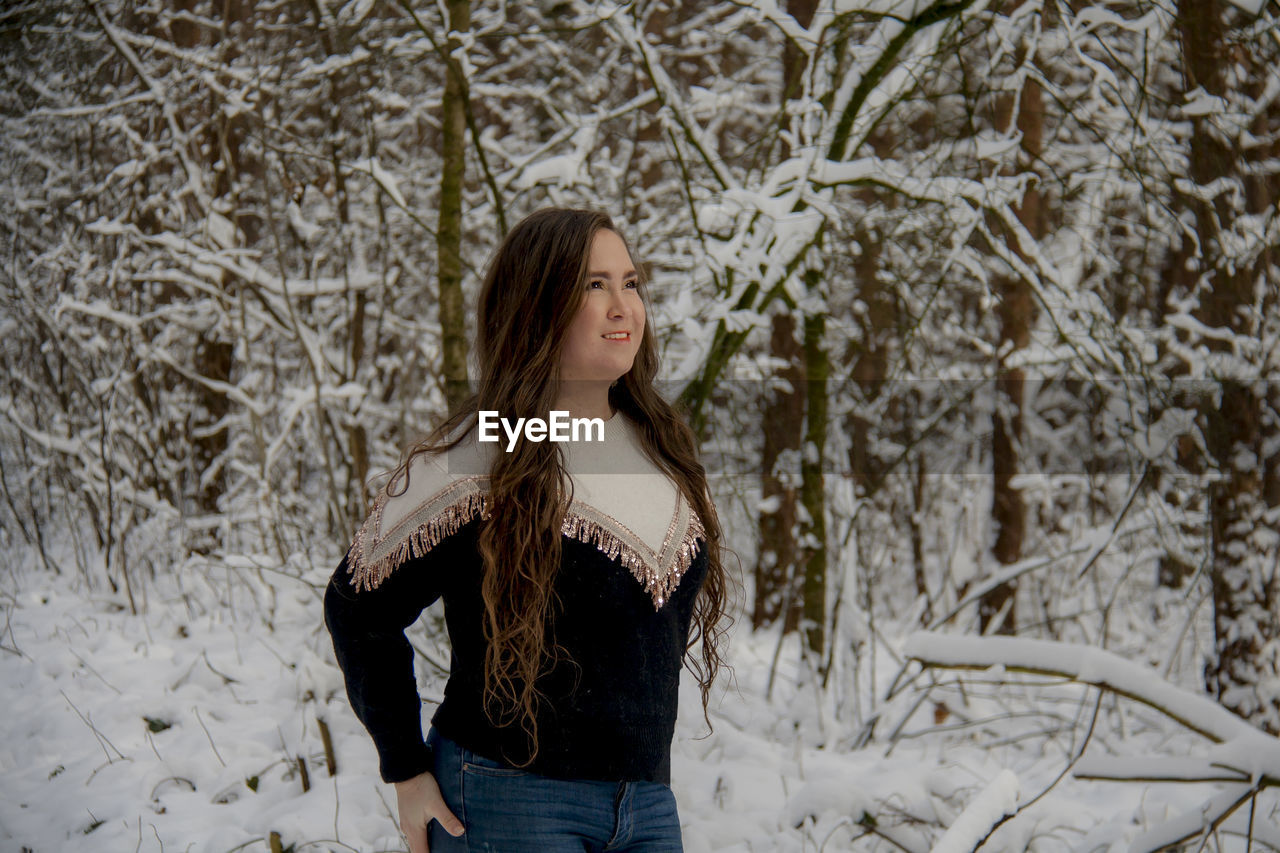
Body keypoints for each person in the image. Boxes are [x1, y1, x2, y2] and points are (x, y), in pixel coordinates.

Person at [324, 207, 730, 853]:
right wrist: (403, 766)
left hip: (647, 802)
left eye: (630, 282)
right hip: (508, 797)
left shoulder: (661, 448)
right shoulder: (483, 454)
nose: (622, 306)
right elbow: (359, 607)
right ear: (537, 304)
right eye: (593, 285)